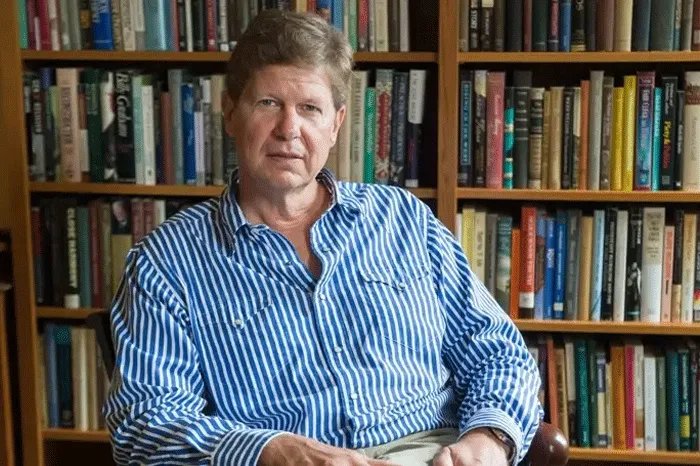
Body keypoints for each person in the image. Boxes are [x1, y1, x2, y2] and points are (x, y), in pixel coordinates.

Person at [104, 9, 542, 466]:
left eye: (309, 108)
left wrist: (490, 439)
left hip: (431, 452)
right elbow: (144, 421)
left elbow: (496, 350)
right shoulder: (165, 263)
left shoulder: (404, 220)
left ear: (335, 124)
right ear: (230, 112)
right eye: (268, 103)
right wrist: (269, 450)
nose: (289, 129)